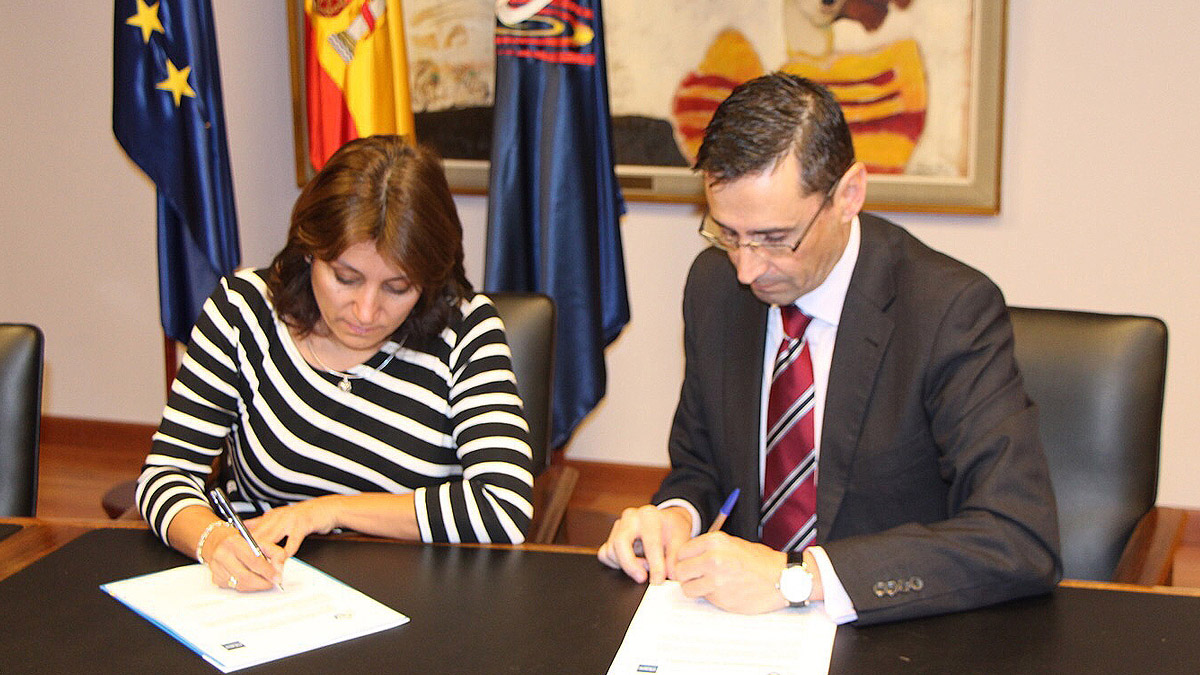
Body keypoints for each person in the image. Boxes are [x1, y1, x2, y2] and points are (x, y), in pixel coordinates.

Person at [599, 73, 1061, 626]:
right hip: (742, 635)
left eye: (775, 239)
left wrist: (798, 578)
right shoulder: (714, 287)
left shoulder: (949, 311)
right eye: (726, 233)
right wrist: (676, 517)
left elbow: (1018, 535)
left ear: (848, 195)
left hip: (896, 634)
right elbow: (703, 465)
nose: (747, 270)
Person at [138, 135, 535, 592]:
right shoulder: (243, 311)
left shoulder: (466, 330)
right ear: (309, 253)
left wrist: (329, 511)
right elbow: (165, 474)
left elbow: (504, 507)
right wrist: (213, 540)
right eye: (346, 279)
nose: (366, 312)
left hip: (415, 594)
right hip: (264, 592)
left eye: (397, 287)